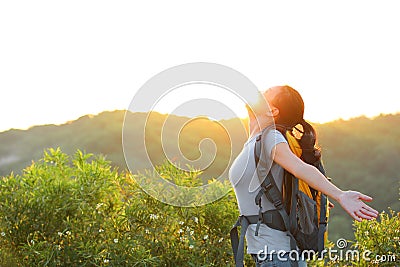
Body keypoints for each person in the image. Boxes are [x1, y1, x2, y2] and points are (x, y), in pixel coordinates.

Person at [229, 85, 378, 267]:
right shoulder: (256, 140)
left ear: (272, 111)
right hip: (269, 255)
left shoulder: (271, 138)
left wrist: (339, 194)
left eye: (266, 93)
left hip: (278, 256)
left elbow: (301, 168)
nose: (260, 92)